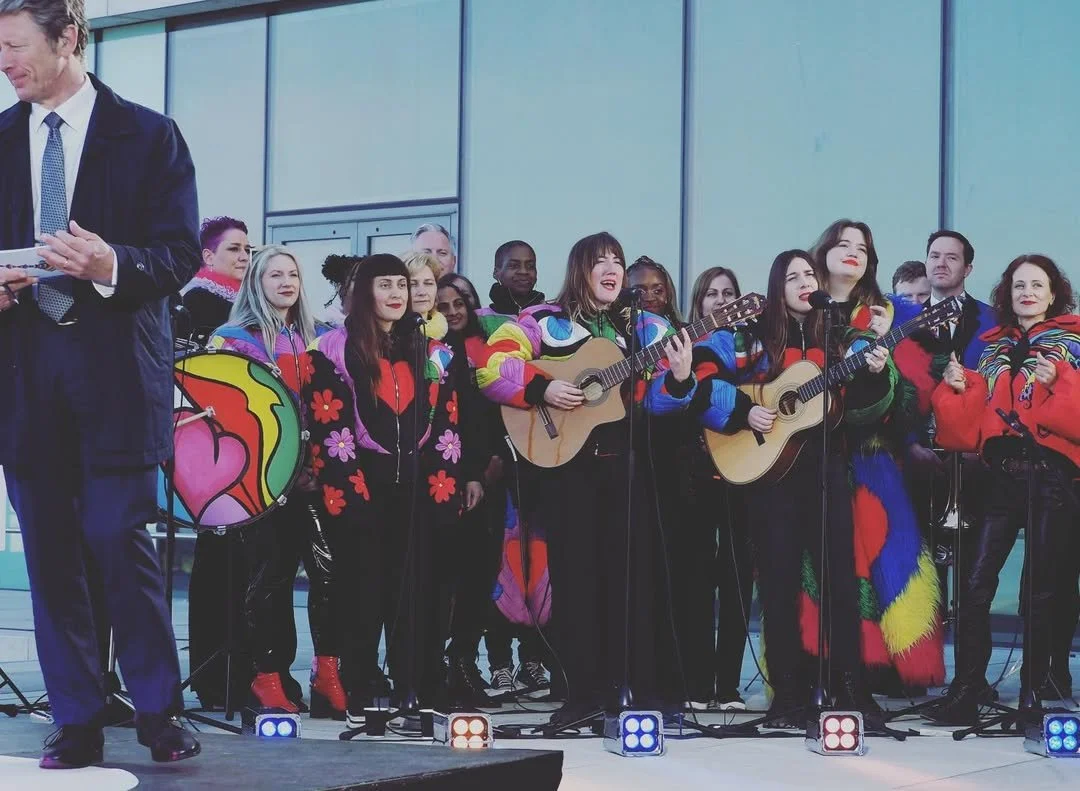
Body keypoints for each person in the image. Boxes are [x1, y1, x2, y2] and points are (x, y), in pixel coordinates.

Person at [0, 0, 200, 766]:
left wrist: (109, 262)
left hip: (116, 378)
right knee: (50, 553)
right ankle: (76, 717)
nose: (6, 63)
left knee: (120, 538)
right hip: (26, 378)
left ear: (68, 37)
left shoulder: (148, 135)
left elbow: (179, 253)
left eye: (17, 45)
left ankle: (157, 709)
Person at [478, 231, 695, 725]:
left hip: (626, 468)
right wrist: (544, 388)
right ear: (580, 269)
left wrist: (681, 377)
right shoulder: (543, 321)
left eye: (617, 260)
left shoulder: (645, 326)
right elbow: (491, 368)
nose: (612, 268)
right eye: (601, 260)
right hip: (568, 469)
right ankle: (582, 695)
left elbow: (658, 402)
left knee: (632, 581)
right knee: (576, 584)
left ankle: (636, 690)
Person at [675, 250, 895, 726]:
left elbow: (864, 409)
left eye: (809, 274)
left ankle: (851, 691)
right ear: (777, 287)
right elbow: (702, 379)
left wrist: (876, 374)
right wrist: (743, 412)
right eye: (792, 276)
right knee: (778, 587)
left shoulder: (836, 337)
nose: (803, 282)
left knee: (840, 582)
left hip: (826, 469)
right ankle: (788, 698)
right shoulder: (748, 336)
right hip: (771, 477)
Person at [303, 254, 465, 725]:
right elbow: (330, 430)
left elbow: (447, 427)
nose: (396, 294)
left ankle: (416, 684)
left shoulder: (433, 352)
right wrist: (353, 501)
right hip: (358, 488)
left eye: (401, 284)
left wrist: (440, 493)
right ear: (363, 292)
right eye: (385, 285)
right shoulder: (330, 350)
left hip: (418, 489)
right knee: (362, 592)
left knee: (415, 593)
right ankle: (361, 685)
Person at [929, 255, 1079, 725]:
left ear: (1053, 294)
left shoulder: (1073, 342)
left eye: (1037, 285)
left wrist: (1062, 382)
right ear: (1007, 294)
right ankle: (969, 687)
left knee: (1041, 591)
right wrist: (957, 388)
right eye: (1019, 286)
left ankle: (1034, 693)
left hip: (1051, 475)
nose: (1027, 293)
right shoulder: (993, 347)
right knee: (976, 584)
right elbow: (971, 426)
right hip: (1000, 475)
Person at [207, 245, 345, 718]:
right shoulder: (232, 338)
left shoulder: (319, 336)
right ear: (256, 283)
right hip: (263, 481)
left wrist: (317, 465)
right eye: (275, 275)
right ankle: (267, 677)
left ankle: (328, 675)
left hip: (318, 476)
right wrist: (285, 467)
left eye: (293, 275)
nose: (286, 283)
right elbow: (232, 417)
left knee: (330, 575)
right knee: (271, 578)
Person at [808, 220, 945, 694]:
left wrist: (883, 372)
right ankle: (818, 666)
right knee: (817, 568)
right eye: (843, 244)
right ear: (823, 251)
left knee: (887, 558)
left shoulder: (886, 315)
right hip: (807, 458)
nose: (853, 252)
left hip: (871, 459)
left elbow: (909, 401)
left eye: (862, 248)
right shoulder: (802, 309)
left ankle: (886, 669)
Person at [669, 266, 752, 710]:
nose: (721, 300)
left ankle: (729, 686)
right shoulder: (688, 343)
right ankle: (698, 684)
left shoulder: (754, 346)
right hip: (697, 473)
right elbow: (698, 393)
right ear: (698, 302)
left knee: (738, 580)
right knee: (697, 580)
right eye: (712, 293)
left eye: (729, 292)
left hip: (746, 470)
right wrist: (742, 410)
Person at [180, 216, 250, 347]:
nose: (245, 257)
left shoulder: (251, 300)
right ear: (209, 257)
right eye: (234, 249)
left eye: (247, 250)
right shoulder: (197, 300)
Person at [489, 239, 544, 314]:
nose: (524, 271)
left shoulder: (552, 315)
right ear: (496, 272)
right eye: (513, 265)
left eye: (530, 266)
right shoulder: (480, 317)